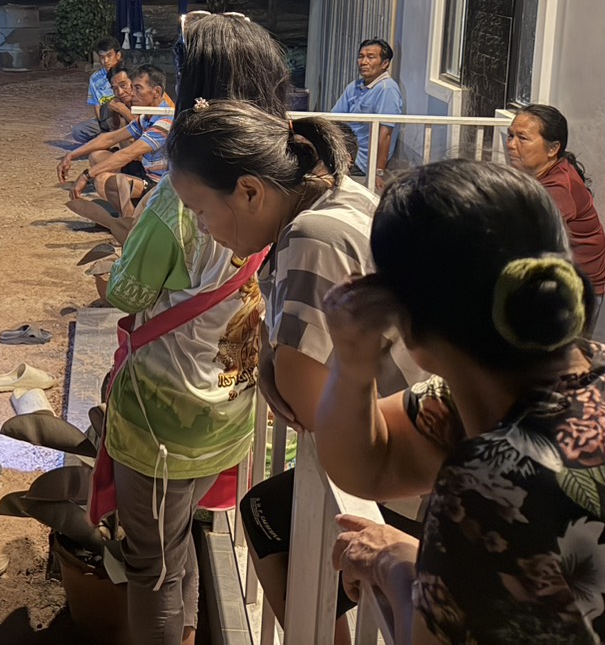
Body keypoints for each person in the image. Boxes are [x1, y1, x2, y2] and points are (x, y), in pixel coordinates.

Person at [318, 159, 605, 644]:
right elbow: (368, 466)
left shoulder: (489, 480)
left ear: (408, 322)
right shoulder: (602, 371)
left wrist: (394, 561)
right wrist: (353, 367)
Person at [166, 101, 425, 642]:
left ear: (249, 191)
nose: (203, 228)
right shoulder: (338, 192)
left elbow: (306, 407)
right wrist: (272, 355)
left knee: (272, 523)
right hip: (423, 440)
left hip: (412, 472)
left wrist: (272, 364)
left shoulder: (311, 236)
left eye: (200, 210)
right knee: (267, 513)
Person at [97, 12, 294, 645]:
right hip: (231, 406)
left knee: (152, 563)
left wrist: (125, 247)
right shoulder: (279, 184)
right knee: (181, 540)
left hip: (163, 417)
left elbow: (125, 292)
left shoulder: (178, 198)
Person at [505, 103, 605, 326]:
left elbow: (528, 239)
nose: (511, 145)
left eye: (522, 138)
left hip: (573, 292)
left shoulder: (559, 188)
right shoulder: (536, 174)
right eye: (510, 135)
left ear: (553, 149)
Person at [59, 64, 173, 218]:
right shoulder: (147, 116)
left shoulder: (165, 121)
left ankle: (131, 222)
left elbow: (128, 153)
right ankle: (129, 213)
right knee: (97, 156)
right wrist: (71, 155)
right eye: (132, 87)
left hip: (161, 184)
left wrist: (86, 175)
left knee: (103, 180)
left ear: (156, 92)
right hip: (146, 171)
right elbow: (110, 138)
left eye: (138, 88)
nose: (132, 93)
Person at [329, 38, 403, 177]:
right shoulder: (354, 86)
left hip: (361, 161)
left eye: (371, 57)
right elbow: (333, 119)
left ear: (385, 64)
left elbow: (386, 134)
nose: (363, 62)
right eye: (361, 56)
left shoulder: (387, 89)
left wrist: (378, 171)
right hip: (343, 149)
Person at [72, 36, 123, 144]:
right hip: (107, 120)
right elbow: (97, 105)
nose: (106, 61)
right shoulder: (95, 78)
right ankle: (108, 139)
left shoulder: (127, 73)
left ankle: (108, 141)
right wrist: (103, 125)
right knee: (78, 131)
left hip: (125, 117)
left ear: (118, 55)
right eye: (102, 57)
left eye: (109, 56)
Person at [102, 63, 135, 132]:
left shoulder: (145, 100)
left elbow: (146, 130)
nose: (120, 92)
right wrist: (115, 113)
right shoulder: (116, 104)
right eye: (115, 88)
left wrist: (124, 111)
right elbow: (114, 129)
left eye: (123, 85)